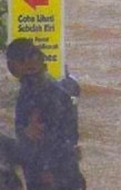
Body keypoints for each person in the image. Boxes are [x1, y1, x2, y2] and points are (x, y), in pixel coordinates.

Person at [6, 38, 85, 190]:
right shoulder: (42, 85)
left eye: (11, 62)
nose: (9, 67)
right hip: (57, 167)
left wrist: (47, 169)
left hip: (53, 173)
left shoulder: (41, 92)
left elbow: (53, 135)